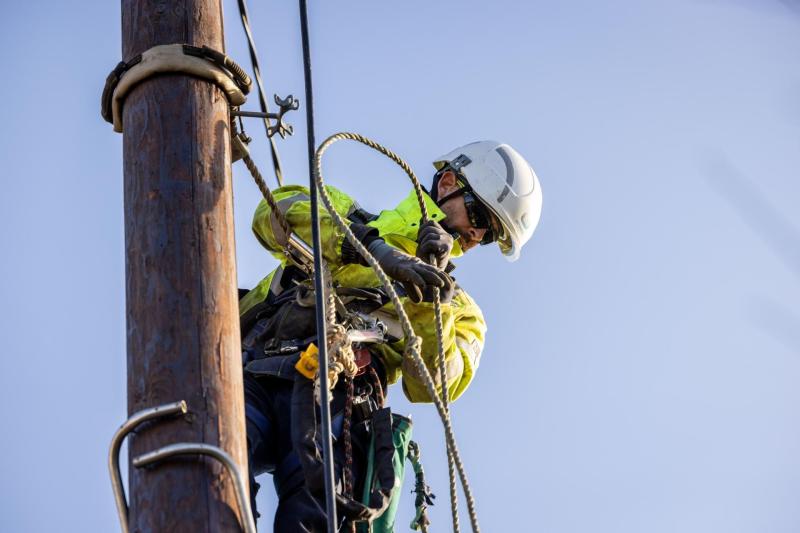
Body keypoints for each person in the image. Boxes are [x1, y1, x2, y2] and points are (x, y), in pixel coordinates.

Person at [238, 141, 542, 532]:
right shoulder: (343, 215)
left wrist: (429, 304)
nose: (476, 234)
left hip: (339, 404)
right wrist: (370, 248)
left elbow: (435, 387)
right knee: (204, 467)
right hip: (256, 374)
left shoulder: (461, 313)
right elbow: (271, 213)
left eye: (488, 234)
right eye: (480, 215)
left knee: (317, 519)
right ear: (448, 183)